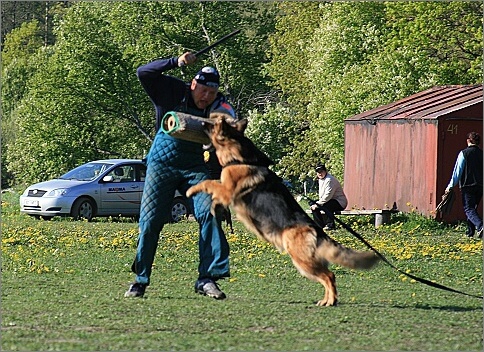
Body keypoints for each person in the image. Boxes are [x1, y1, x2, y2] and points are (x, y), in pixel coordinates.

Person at [124, 52, 236, 299]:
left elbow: (225, 140)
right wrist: (177, 62)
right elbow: (144, 72)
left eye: (212, 93)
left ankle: (207, 279)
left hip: (193, 167)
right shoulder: (172, 91)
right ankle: (140, 280)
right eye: (203, 90)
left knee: (210, 212)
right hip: (161, 164)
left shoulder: (218, 108)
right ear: (194, 84)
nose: (206, 97)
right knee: (150, 222)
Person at [445, 132, 483, 238]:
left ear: (468, 141)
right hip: (480, 186)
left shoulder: (464, 153)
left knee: (468, 208)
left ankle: (480, 226)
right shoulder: (482, 154)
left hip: (467, 185)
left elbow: (457, 171)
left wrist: (450, 186)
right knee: (473, 208)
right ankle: (470, 232)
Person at [310, 164, 348, 230]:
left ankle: (330, 225)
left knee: (325, 205)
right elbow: (322, 196)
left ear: (325, 171)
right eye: (318, 172)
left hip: (339, 202)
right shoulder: (320, 180)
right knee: (312, 204)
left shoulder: (329, 180)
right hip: (329, 200)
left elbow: (328, 196)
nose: (320, 173)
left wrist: (318, 204)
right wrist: (316, 204)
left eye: (321, 171)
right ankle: (319, 225)